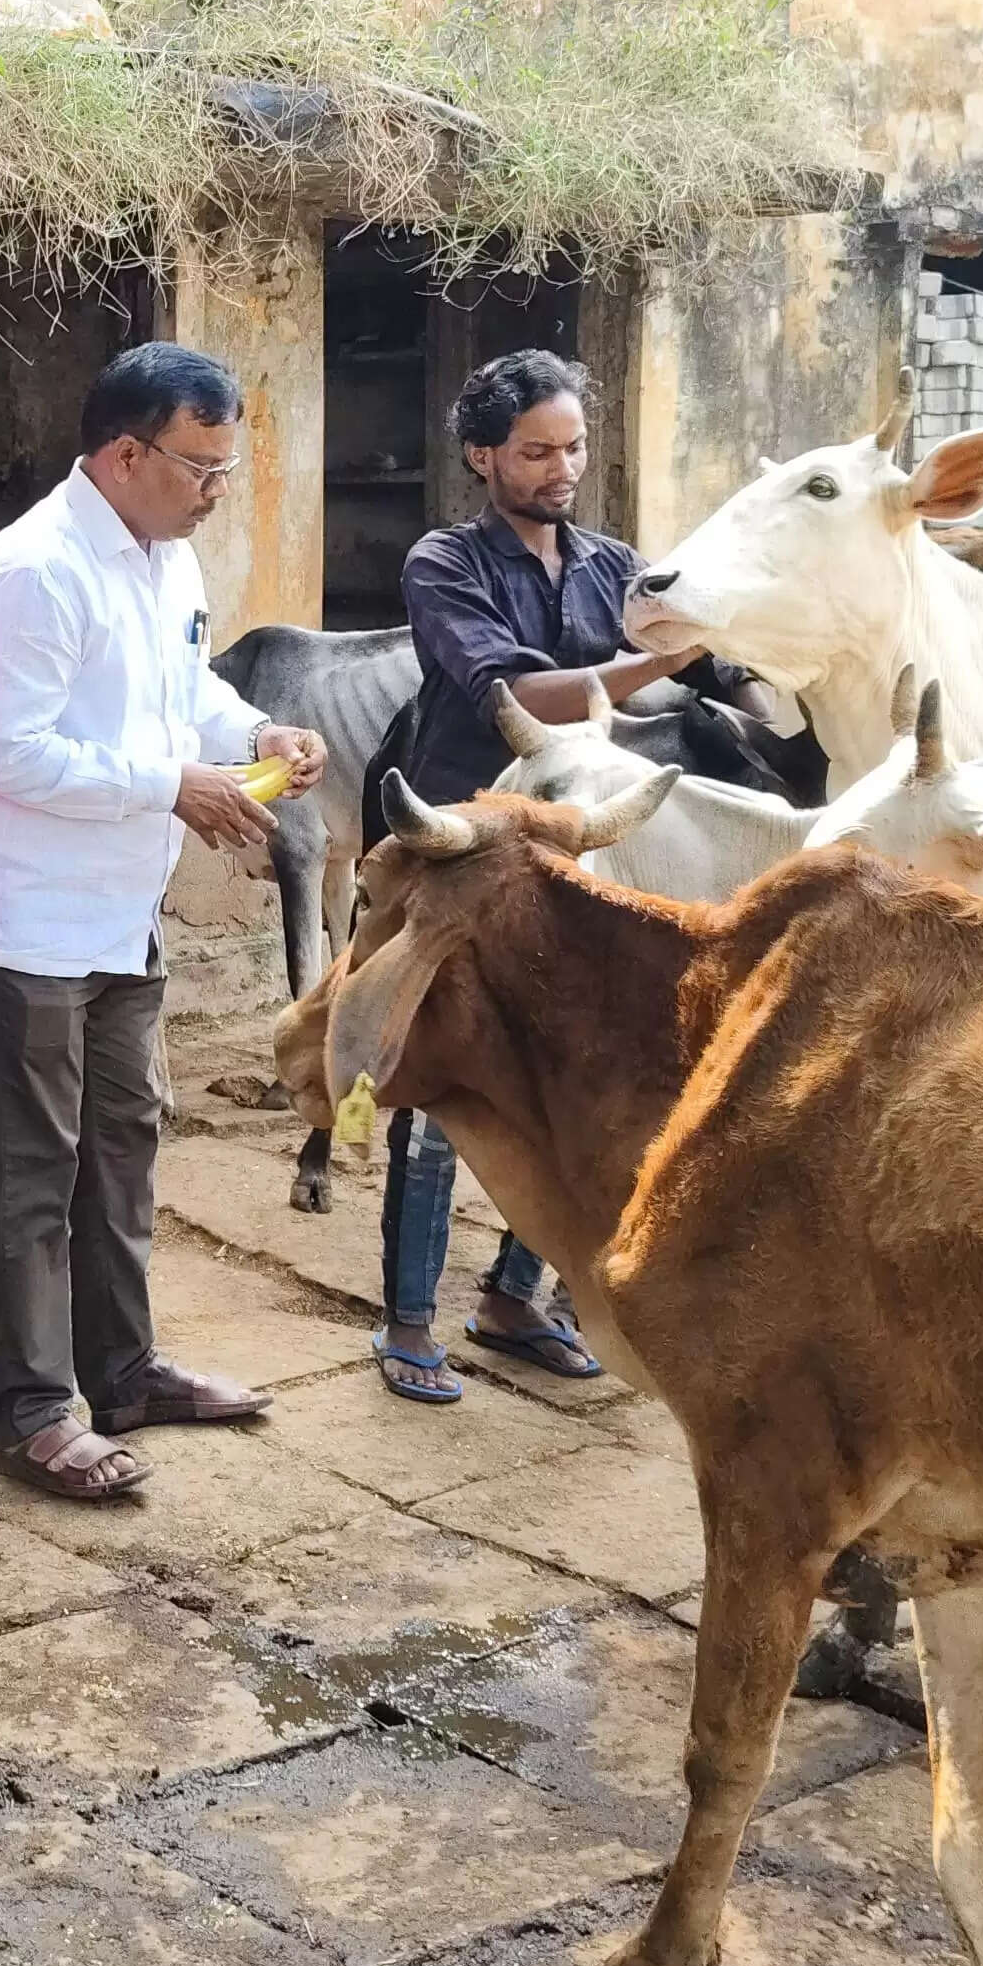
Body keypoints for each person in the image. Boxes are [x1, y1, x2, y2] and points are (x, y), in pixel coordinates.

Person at [0, 343, 322, 1499]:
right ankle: (34, 1415)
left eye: (226, 468)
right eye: (201, 467)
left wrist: (252, 736)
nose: (216, 490)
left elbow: (185, 693)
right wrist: (172, 787)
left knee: (122, 1149)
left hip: (118, 909)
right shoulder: (28, 574)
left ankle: (124, 1372)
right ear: (125, 454)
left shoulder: (165, 559)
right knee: (31, 1170)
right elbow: (12, 753)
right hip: (20, 919)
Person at [372, 349, 668, 1403]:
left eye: (573, 448)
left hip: (575, 860)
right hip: (458, 847)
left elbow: (721, 674)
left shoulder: (615, 565)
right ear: (481, 455)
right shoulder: (442, 563)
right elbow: (515, 695)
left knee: (568, 1082)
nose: (562, 469)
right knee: (439, 1086)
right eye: (536, 452)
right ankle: (407, 1322)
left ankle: (513, 1298)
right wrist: (665, 659)